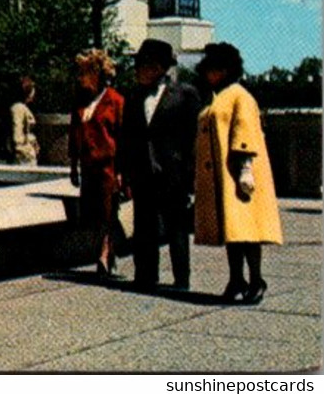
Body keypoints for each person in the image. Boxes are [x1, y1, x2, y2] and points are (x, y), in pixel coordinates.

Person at [194, 41, 283, 304]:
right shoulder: (219, 97)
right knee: (233, 233)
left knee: (248, 231)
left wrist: (245, 168)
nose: (208, 74)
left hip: (239, 174)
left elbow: (244, 132)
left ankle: (256, 279)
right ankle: (236, 278)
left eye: (213, 68)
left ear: (224, 70)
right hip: (223, 174)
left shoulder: (240, 96)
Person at [121, 39, 200, 291]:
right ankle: (145, 275)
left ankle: (181, 279)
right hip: (142, 172)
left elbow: (192, 138)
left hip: (173, 173)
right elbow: (127, 137)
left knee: (176, 227)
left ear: (157, 68)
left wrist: (190, 174)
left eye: (141, 66)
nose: (137, 71)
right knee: (143, 226)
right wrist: (124, 172)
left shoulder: (184, 95)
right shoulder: (132, 97)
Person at [69, 48, 126, 279]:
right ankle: (108, 251)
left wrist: (122, 171)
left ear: (97, 74)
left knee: (108, 212)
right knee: (93, 214)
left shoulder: (115, 100)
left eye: (85, 72)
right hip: (88, 167)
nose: (80, 77)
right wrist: (73, 166)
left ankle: (104, 253)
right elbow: (74, 134)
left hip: (108, 167)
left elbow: (122, 137)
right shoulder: (81, 103)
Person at [9, 75, 39, 165]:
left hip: (28, 152)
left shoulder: (23, 108)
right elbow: (17, 133)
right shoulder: (18, 108)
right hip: (24, 156)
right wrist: (23, 150)